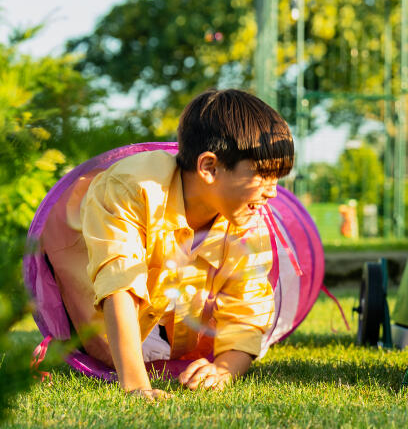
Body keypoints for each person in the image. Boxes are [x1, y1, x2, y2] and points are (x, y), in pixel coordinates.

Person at [41, 88, 294, 400]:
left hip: (168, 315)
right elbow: (119, 285)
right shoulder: (133, 188)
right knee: (123, 332)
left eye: (277, 179)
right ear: (209, 168)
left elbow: (247, 312)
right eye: (263, 176)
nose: (273, 192)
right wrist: (137, 387)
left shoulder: (244, 219)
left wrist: (224, 369)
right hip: (98, 311)